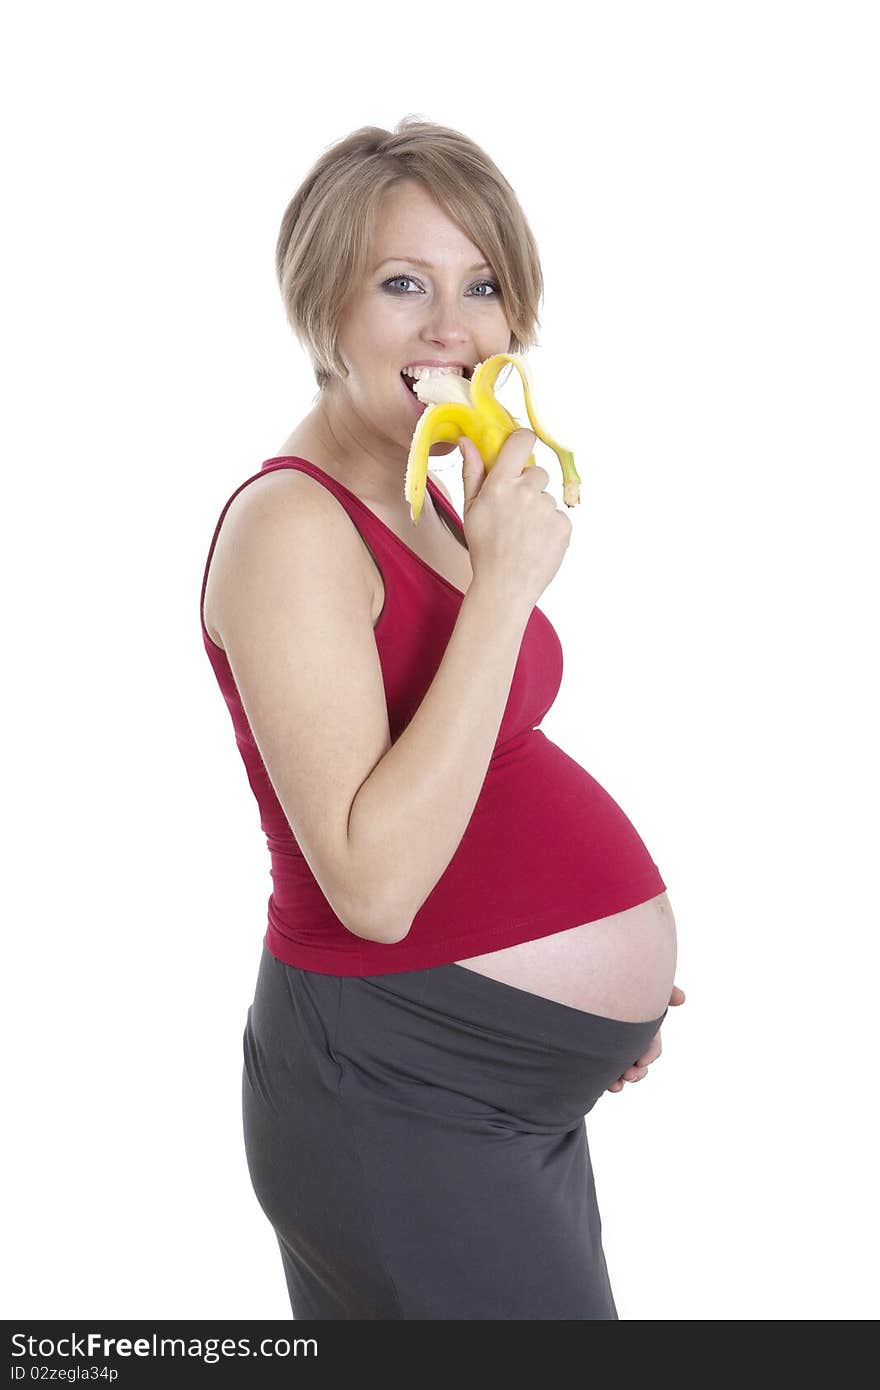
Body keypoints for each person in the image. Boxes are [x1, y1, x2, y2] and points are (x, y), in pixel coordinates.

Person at [199, 116, 683, 1320]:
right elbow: (371, 884)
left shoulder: (425, 486)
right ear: (321, 304)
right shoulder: (290, 530)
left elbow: (474, 765)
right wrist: (509, 582)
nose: (452, 329)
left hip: (487, 1078)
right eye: (402, 283)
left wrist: (566, 1006)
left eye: (482, 287)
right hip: (398, 1082)